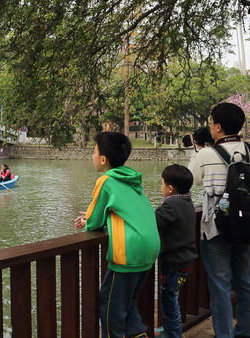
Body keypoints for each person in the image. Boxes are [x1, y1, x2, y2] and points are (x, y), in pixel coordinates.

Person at [74, 131, 160, 338]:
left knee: (110, 306)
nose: (92, 156)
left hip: (129, 250)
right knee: (128, 303)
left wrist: (87, 221)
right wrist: (94, 215)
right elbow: (121, 209)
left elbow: (94, 221)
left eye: (94, 152)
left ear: (103, 159)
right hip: (149, 247)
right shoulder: (130, 178)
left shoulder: (106, 180)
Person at [187, 102, 250, 338]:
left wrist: (197, 150)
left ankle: (224, 334)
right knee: (246, 281)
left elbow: (192, 179)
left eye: (211, 123)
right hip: (246, 221)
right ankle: (247, 331)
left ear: (217, 126)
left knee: (220, 286)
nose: (210, 127)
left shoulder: (208, 153)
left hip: (216, 226)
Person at [154, 164, 197, 338]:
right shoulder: (187, 201)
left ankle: (173, 334)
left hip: (174, 262)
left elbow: (152, 220)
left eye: (162, 184)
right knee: (172, 296)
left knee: (169, 301)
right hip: (185, 260)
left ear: (170, 188)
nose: (161, 187)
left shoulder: (171, 204)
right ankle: (168, 329)